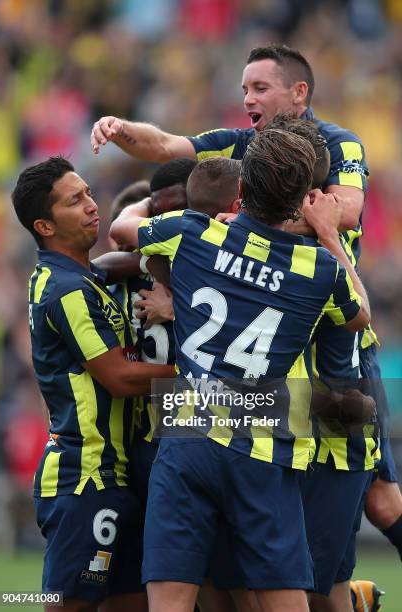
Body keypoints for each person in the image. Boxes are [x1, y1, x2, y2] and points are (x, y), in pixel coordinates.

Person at [91, 42, 402, 582]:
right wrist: (121, 130)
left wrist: (243, 229)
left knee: (374, 503)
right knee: (257, 513)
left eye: (259, 88)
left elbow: (345, 213)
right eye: (243, 90)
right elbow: (166, 146)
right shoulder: (243, 146)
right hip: (275, 357)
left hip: (336, 349)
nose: (247, 100)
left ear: (299, 93)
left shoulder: (338, 144)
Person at [110, 129, 370, 612]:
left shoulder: (191, 232)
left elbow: (122, 232)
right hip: (263, 444)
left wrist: (146, 205)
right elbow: (360, 314)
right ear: (301, 203)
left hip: (186, 434)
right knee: (280, 597)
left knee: (172, 600)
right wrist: (330, 233)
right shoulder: (320, 269)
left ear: (242, 193)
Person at [11, 156, 174, 612]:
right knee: (68, 604)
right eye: (74, 201)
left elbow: (114, 262)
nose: (91, 205)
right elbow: (120, 379)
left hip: (120, 475)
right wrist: (198, 378)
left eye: (87, 192)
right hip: (84, 478)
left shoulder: (88, 277)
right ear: (44, 225)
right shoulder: (67, 290)